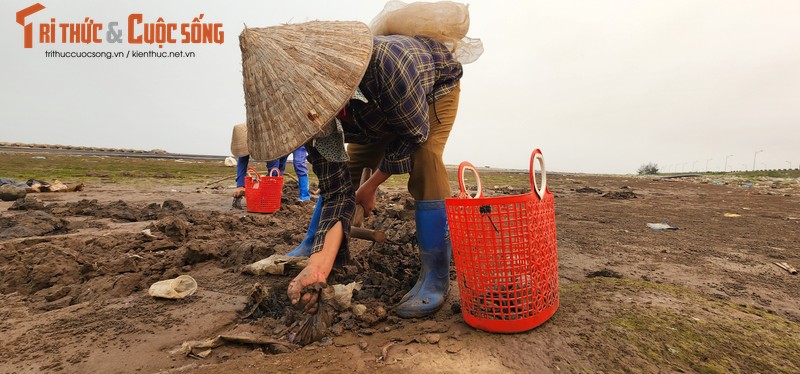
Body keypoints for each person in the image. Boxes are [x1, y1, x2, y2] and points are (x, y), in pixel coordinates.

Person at [240, 21, 462, 318]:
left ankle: (434, 276)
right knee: (354, 162)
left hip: (432, 92)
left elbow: (413, 134)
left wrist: (370, 188)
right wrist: (318, 268)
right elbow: (336, 189)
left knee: (425, 160)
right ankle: (313, 247)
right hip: (370, 108)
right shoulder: (311, 109)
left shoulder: (390, 63)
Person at [230, 123, 311, 202]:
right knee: (277, 170)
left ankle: (305, 197)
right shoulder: (244, 139)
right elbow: (242, 161)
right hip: (280, 140)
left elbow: (273, 168)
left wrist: (271, 182)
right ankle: (275, 192)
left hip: (296, 134)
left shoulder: (267, 139)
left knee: (298, 164)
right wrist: (240, 185)